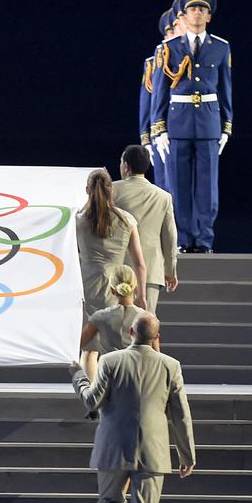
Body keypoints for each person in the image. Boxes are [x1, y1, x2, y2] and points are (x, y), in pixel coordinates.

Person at [68, 312, 196, 503]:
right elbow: (181, 413)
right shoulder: (170, 366)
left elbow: (92, 401)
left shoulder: (111, 361)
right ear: (157, 337)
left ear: (130, 332)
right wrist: (187, 453)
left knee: (108, 501)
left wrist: (77, 374)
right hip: (153, 452)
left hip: (113, 448)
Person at [150, 0, 232, 253]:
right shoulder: (169, 48)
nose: (196, 13)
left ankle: (205, 240)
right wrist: (159, 128)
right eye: (192, 9)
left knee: (207, 188)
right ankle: (183, 239)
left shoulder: (220, 47)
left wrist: (226, 126)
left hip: (208, 122)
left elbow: (226, 89)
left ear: (209, 16)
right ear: (184, 16)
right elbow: (160, 91)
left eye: (201, 9)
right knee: (179, 185)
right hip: (178, 122)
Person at [113, 145, 179, 313]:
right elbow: (170, 237)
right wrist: (170, 270)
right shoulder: (164, 197)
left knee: (114, 322)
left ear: (126, 166)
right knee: (145, 323)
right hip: (151, 271)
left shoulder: (111, 191)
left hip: (117, 268)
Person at [76, 168, 148, 315]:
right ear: (111, 189)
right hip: (118, 288)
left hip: (85, 288)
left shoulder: (79, 221)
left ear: (87, 190)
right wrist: (142, 296)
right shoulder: (127, 220)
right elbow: (139, 264)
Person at [139, 10, 179, 194]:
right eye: (170, 33)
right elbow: (148, 104)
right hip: (163, 132)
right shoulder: (154, 61)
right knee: (166, 189)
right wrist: (147, 138)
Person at [78, 264, 148, 358]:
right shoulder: (147, 318)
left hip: (108, 366)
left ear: (112, 290)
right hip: (137, 366)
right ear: (135, 288)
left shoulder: (100, 317)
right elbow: (156, 355)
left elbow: (79, 344)